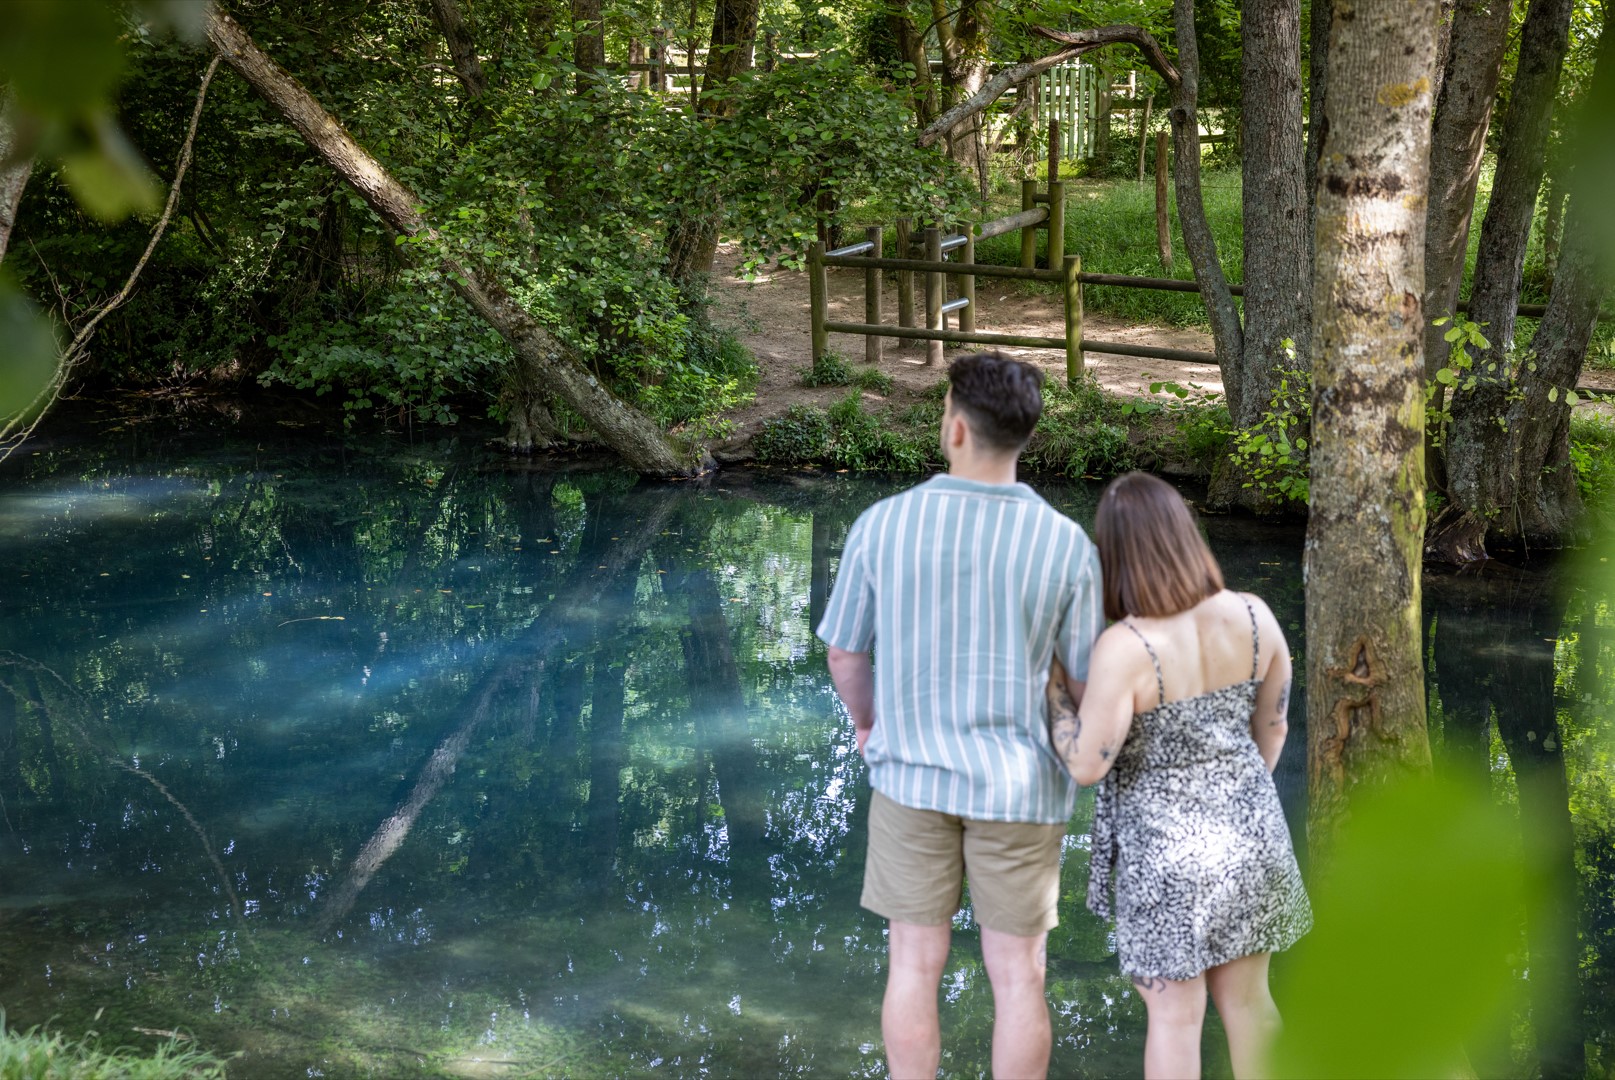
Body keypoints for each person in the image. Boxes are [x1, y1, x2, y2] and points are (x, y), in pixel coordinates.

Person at [817, 351, 1103, 1080]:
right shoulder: (1066, 543)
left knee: (913, 964)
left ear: (955, 428)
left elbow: (845, 653)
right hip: (1021, 787)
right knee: (1019, 975)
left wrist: (867, 723)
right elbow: (1083, 678)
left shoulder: (883, 525)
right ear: (1024, 435)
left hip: (910, 779)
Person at [1047, 470, 1312, 1080]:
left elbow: (1086, 763)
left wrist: (1056, 689)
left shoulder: (1126, 646)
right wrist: (1236, 798)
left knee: (1174, 1018)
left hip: (1164, 857)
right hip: (1250, 839)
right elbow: (1274, 729)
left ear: (1117, 556)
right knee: (1251, 1005)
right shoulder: (1256, 616)